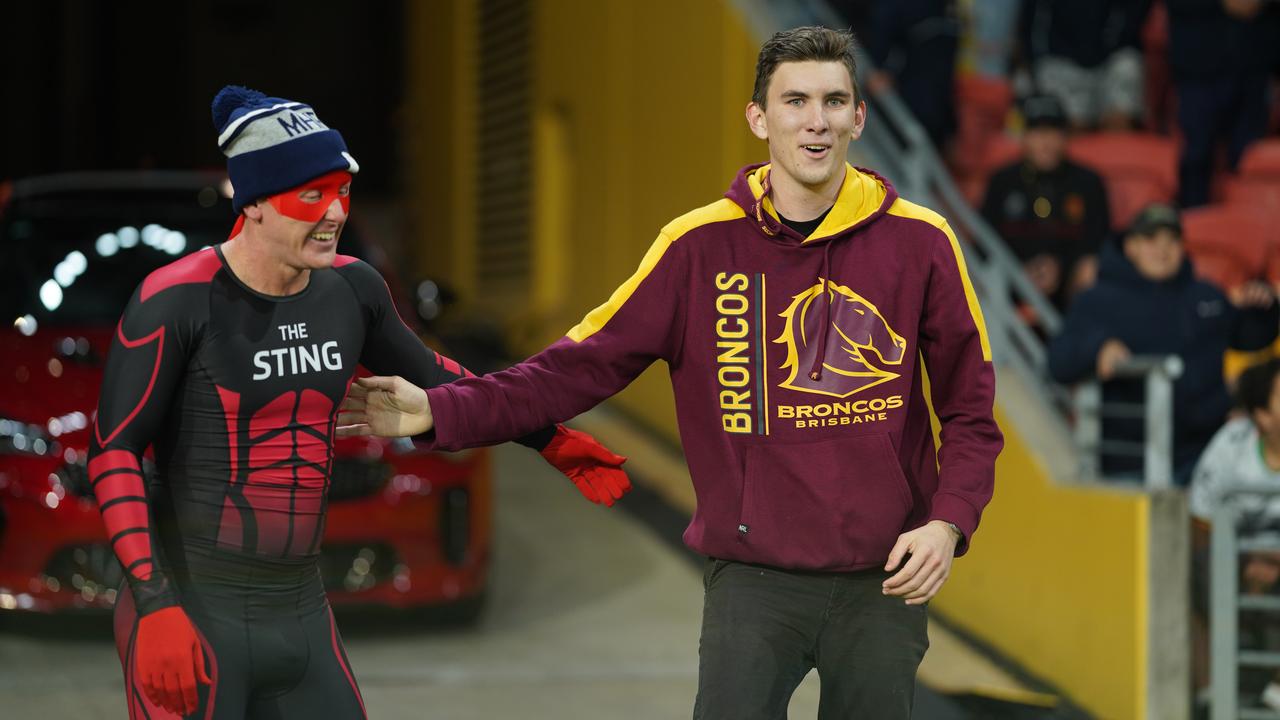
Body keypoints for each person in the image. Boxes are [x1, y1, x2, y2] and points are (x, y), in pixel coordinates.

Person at [338, 26, 1003, 719]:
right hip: (754, 581)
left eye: (835, 101)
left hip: (884, 580)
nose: (816, 120)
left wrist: (947, 524)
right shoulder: (696, 246)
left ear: (858, 117)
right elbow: (572, 371)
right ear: (759, 118)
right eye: (796, 100)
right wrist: (442, 411)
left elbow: (971, 413)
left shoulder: (921, 240)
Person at [87, 86, 631, 720]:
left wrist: (554, 440)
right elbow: (114, 452)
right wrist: (154, 605)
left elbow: (438, 378)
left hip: (300, 605)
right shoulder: (177, 299)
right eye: (311, 195)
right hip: (193, 603)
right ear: (256, 201)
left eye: (342, 190)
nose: (335, 212)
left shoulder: (351, 288)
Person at [1048, 204, 1278, 483]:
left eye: (1171, 241)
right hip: (1131, 461)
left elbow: (1252, 339)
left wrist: (1263, 307)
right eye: (1150, 240)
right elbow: (1057, 362)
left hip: (1207, 453)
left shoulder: (1205, 294)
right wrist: (1098, 347)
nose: (1162, 250)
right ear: (1130, 246)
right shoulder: (1097, 300)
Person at [1188, 357, 1280, 709]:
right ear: (1263, 416)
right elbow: (1200, 528)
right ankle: (1212, 695)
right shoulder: (1231, 447)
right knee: (1198, 571)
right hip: (1231, 561)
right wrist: (1242, 563)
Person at [980, 92, 1111, 311]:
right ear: (1024, 137)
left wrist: (1062, 266)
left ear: (1065, 137)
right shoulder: (1002, 181)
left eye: (1053, 132)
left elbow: (1098, 241)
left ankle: (1085, 342)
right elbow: (985, 241)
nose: (1046, 142)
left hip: (1069, 282)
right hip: (1011, 279)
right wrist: (1021, 272)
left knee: (1091, 270)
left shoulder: (1088, 182)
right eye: (1037, 132)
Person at [1167, 0, 1280, 207]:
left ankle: (1246, 225)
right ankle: (1194, 228)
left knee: (1249, 158)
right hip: (1198, 64)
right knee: (1196, 156)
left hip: (1256, 63)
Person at [1018, 0, 1152, 130]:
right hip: (1060, 60)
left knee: (1127, 66)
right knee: (1064, 123)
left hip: (1111, 57)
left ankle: (1117, 149)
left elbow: (1131, 18)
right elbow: (1032, 27)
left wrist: (1104, 47)